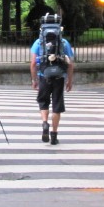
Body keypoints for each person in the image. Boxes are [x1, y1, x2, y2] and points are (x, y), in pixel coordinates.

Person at [29, 17, 74, 145]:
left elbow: (33, 63)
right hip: (59, 77)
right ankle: (54, 135)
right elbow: (70, 64)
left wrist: (34, 80)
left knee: (43, 102)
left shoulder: (38, 42)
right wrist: (69, 80)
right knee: (57, 106)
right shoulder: (64, 43)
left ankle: (45, 123)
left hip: (44, 76)